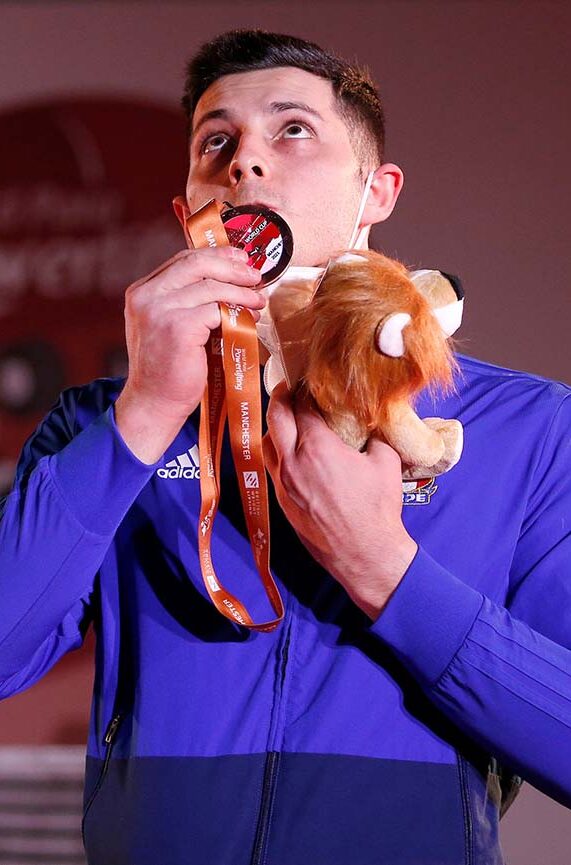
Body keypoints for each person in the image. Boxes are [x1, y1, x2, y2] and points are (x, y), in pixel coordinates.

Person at [1, 29, 570, 865]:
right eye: (215, 143)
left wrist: (385, 570)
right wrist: (144, 412)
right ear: (187, 213)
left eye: (292, 129)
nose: (244, 161)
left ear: (375, 191)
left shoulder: (525, 427)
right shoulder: (100, 424)